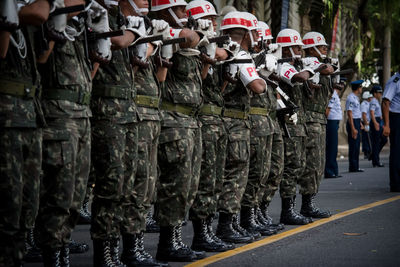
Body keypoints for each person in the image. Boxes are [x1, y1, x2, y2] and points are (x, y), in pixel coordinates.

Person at [151, 0, 208, 262]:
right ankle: (167, 242)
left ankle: (175, 238)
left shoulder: (183, 39)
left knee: (187, 185)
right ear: (166, 11)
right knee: (174, 185)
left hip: (190, 122)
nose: (186, 15)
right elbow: (188, 38)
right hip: (173, 121)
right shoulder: (158, 31)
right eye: (182, 10)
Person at [0, 1, 50, 265]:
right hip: (8, 117)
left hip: (30, 116)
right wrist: (8, 21)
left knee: (26, 206)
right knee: (8, 205)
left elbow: (41, 58)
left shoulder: (28, 21)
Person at [186, 0, 235, 253]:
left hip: (216, 120)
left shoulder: (211, 44)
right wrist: (213, 54)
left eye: (215, 19)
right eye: (209, 18)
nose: (214, 23)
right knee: (204, 181)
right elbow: (201, 77)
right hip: (203, 121)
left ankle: (207, 231)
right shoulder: (197, 44)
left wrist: (225, 77)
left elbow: (215, 89)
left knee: (215, 180)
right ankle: (200, 234)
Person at [215, 11, 267, 243]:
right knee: (235, 176)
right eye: (254, 31)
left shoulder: (224, 50)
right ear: (246, 33)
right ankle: (226, 226)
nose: (257, 36)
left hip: (228, 121)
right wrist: (264, 76)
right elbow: (257, 87)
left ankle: (232, 223)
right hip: (234, 123)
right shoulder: (239, 53)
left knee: (233, 175)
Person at [275, 28, 313, 225]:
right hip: (288, 125)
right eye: (297, 47)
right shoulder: (282, 66)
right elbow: (299, 78)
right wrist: (314, 68)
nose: (300, 50)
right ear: (287, 48)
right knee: (290, 167)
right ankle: (287, 211)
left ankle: (294, 208)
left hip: (298, 124)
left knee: (298, 165)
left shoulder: (293, 65)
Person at [300, 31, 334, 219]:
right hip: (310, 120)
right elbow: (328, 69)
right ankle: (306, 204)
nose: (325, 50)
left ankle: (310, 202)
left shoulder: (320, 65)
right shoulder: (311, 64)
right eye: (321, 47)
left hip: (319, 119)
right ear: (311, 49)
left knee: (318, 164)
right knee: (311, 164)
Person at [382, 69, 400, 192]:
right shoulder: (395, 81)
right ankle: (395, 183)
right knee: (397, 151)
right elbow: (385, 102)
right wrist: (387, 125)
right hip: (396, 118)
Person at [325, 83, 343, 178]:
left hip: (334, 122)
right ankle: (329, 171)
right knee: (331, 148)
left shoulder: (335, 95)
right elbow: (328, 110)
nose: (342, 85)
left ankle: (334, 170)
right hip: (331, 122)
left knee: (334, 148)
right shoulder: (333, 94)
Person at [345, 80, 364, 172]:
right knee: (353, 146)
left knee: (356, 146)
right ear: (358, 88)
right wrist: (353, 128)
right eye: (360, 87)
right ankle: (353, 167)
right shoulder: (350, 98)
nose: (361, 89)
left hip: (356, 121)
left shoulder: (355, 98)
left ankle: (356, 166)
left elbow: (357, 113)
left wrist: (360, 123)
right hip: (352, 122)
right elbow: (350, 113)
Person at [369, 85, 387, 167]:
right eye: (379, 92)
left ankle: (373, 155)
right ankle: (376, 161)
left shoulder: (376, 101)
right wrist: (376, 123)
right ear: (375, 93)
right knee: (376, 142)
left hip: (378, 121)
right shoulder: (373, 101)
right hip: (375, 122)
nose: (380, 94)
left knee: (383, 139)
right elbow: (372, 112)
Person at [360, 90, 373, 160]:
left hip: (368, 122)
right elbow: (364, 115)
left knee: (368, 138)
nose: (371, 98)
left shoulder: (368, 103)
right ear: (367, 97)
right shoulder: (364, 104)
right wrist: (366, 124)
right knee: (366, 138)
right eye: (370, 97)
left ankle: (369, 151)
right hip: (365, 122)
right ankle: (366, 153)